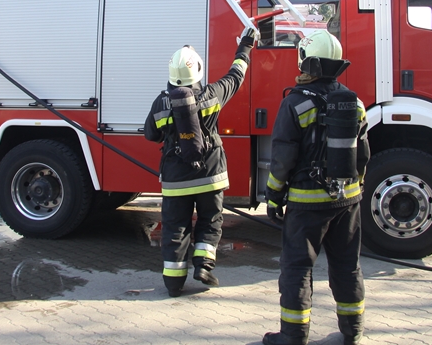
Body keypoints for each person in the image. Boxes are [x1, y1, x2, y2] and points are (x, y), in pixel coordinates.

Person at [263, 30, 370, 345]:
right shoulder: (355, 103)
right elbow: (363, 155)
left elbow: (282, 158)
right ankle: (353, 331)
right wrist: (355, 190)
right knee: (348, 265)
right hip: (347, 201)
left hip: (307, 204)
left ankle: (293, 336)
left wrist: (273, 196)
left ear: (307, 62)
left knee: (297, 268)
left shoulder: (295, 104)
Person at [144, 27, 256, 297]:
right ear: (199, 72)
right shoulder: (213, 95)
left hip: (176, 178)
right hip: (210, 174)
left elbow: (150, 134)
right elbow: (236, 75)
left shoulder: (161, 104)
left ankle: (173, 283)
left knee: (175, 227)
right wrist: (246, 46)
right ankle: (204, 266)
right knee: (210, 219)